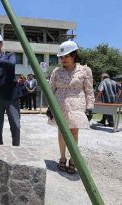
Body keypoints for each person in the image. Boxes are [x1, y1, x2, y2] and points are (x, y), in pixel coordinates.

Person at [49, 40, 95, 174]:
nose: (63, 59)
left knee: (74, 131)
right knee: (62, 131)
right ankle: (62, 158)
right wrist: (49, 107)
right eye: (61, 57)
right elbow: (50, 90)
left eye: (66, 56)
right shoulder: (56, 72)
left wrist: (90, 107)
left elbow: (89, 90)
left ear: (74, 55)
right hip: (60, 105)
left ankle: (73, 159)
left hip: (77, 105)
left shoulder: (85, 70)